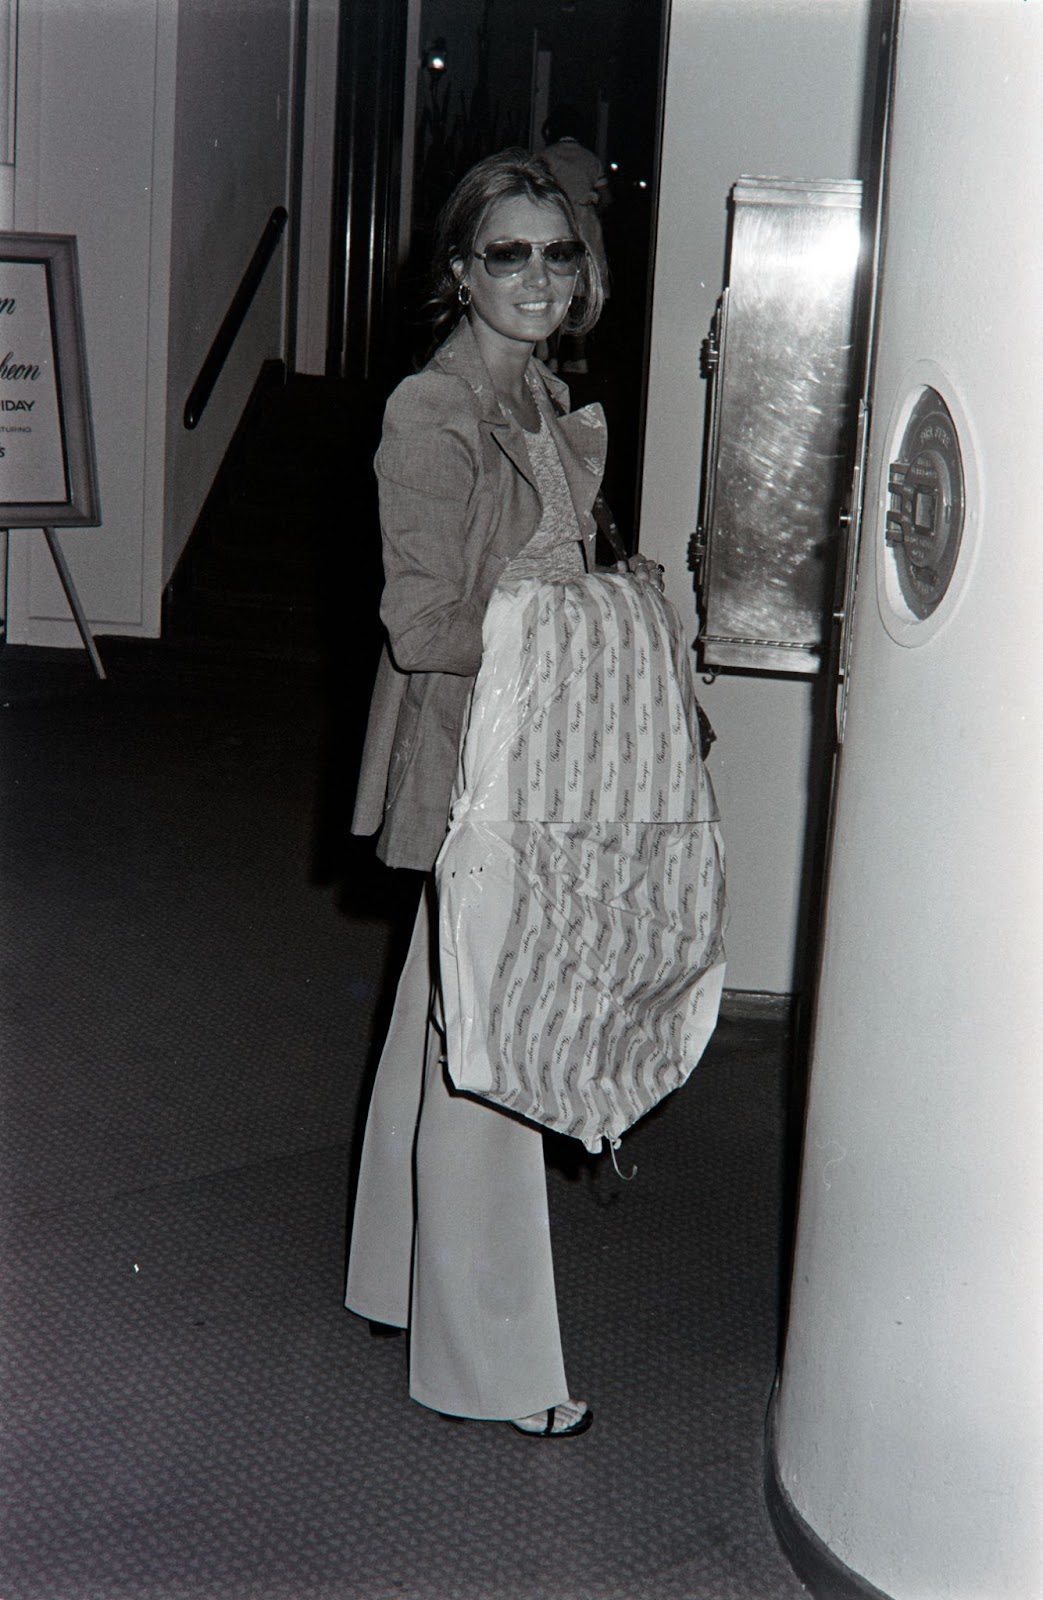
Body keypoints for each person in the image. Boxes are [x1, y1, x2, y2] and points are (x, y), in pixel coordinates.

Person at [346, 149, 660, 1439]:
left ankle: (386, 1269)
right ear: (462, 270)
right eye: (507, 254)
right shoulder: (435, 411)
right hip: (478, 758)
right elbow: (423, 624)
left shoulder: (535, 392)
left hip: (528, 749)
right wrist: (584, 623)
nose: (536, 277)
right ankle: (493, 1367)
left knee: (447, 999)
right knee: (496, 1052)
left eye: (558, 253)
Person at [539, 106, 611, 373]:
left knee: (556, 288)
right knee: (583, 292)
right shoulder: (591, 159)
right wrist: (589, 204)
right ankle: (579, 358)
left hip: (557, 225)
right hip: (586, 229)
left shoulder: (545, 157)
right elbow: (607, 199)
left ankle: (553, 356)